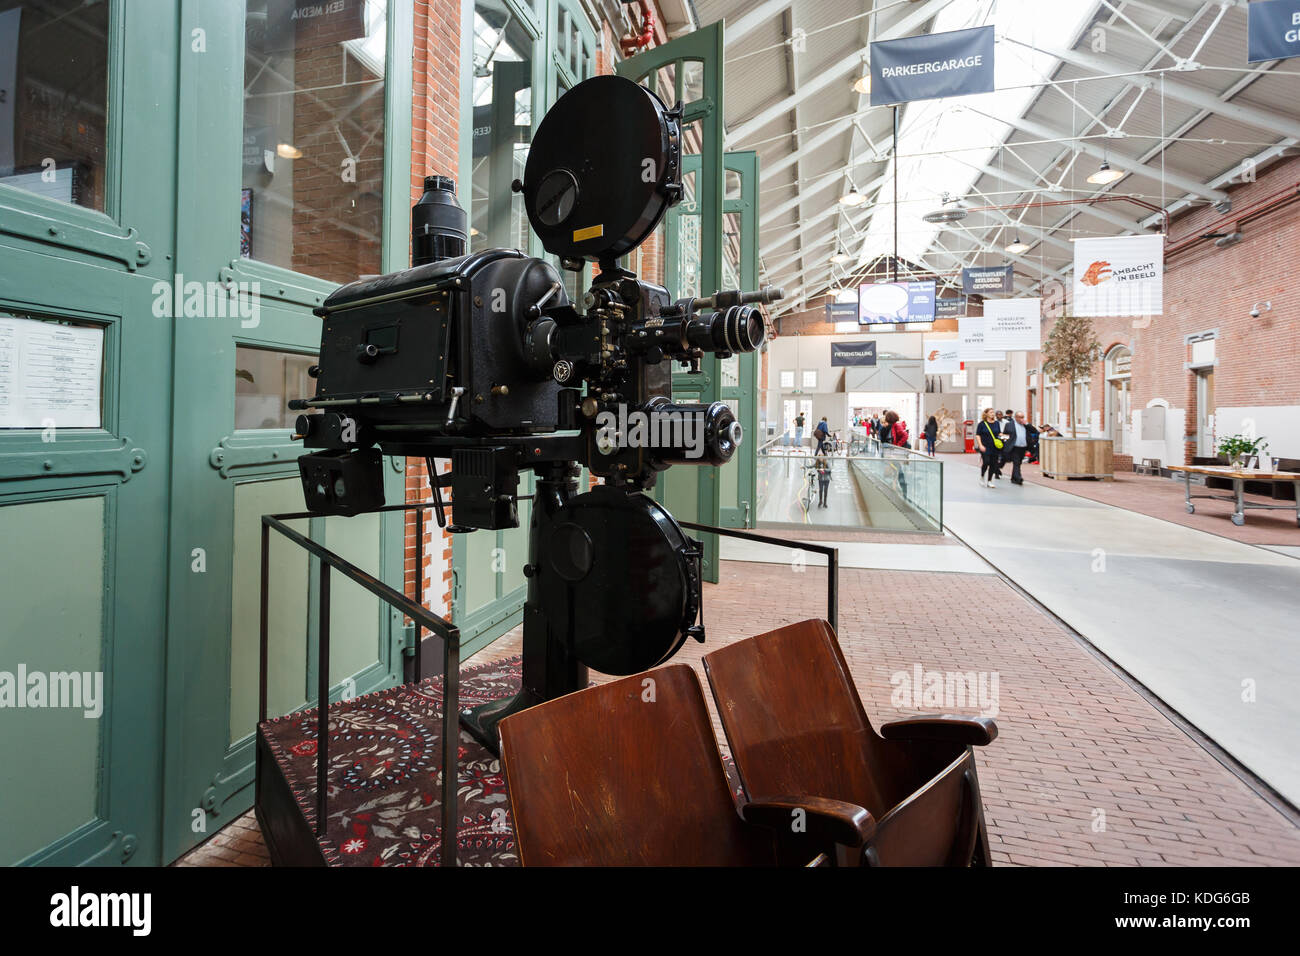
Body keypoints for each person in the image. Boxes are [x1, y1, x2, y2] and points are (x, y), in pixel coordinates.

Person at [1005, 412, 1036, 485]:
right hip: (1014, 447)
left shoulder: (1025, 425)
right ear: (1015, 417)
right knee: (1016, 462)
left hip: (1023, 447)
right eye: (1020, 417)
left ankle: (1013, 478)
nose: (1022, 419)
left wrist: (1027, 424)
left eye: (1023, 417)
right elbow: (1005, 435)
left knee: (1018, 463)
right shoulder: (1009, 425)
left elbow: (1035, 431)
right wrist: (1006, 445)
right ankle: (1019, 478)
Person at [975, 407, 1002, 488]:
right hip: (985, 446)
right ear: (986, 414)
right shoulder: (982, 424)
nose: (993, 414)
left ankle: (990, 480)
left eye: (993, 412)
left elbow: (998, 433)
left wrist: (1003, 435)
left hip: (995, 447)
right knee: (986, 462)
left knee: (993, 464)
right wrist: (980, 445)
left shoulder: (997, 423)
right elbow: (978, 435)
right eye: (991, 412)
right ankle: (982, 476)